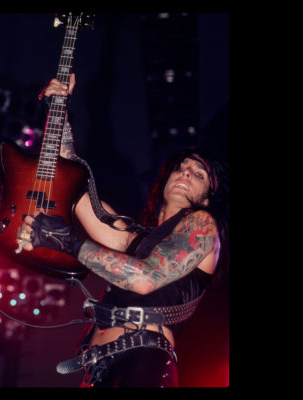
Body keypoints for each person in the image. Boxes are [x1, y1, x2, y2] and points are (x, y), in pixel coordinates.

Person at [21, 74, 229, 387]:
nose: (186, 172)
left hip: (143, 362)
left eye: (198, 174)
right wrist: (58, 112)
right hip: (97, 367)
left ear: (208, 197)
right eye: (181, 167)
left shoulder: (202, 225)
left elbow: (144, 278)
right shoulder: (131, 236)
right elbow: (72, 183)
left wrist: (66, 240)